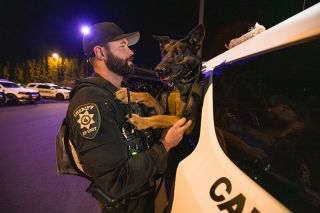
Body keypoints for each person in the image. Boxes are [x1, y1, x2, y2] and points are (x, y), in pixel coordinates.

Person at [66, 22, 192, 212]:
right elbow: (116, 182)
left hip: (144, 196)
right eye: (123, 46)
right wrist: (165, 144)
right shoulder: (91, 102)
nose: (131, 52)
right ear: (101, 53)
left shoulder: (121, 93)